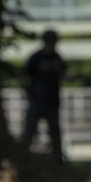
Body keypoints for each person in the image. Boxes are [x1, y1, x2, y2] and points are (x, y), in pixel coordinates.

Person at [22, 29, 68, 164]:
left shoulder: (57, 58)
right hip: (36, 101)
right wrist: (28, 94)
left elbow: (64, 75)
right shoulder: (36, 58)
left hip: (52, 102)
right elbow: (24, 76)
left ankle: (58, 160)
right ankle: (24, 158)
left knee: (55, 133)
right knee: (30, 131)